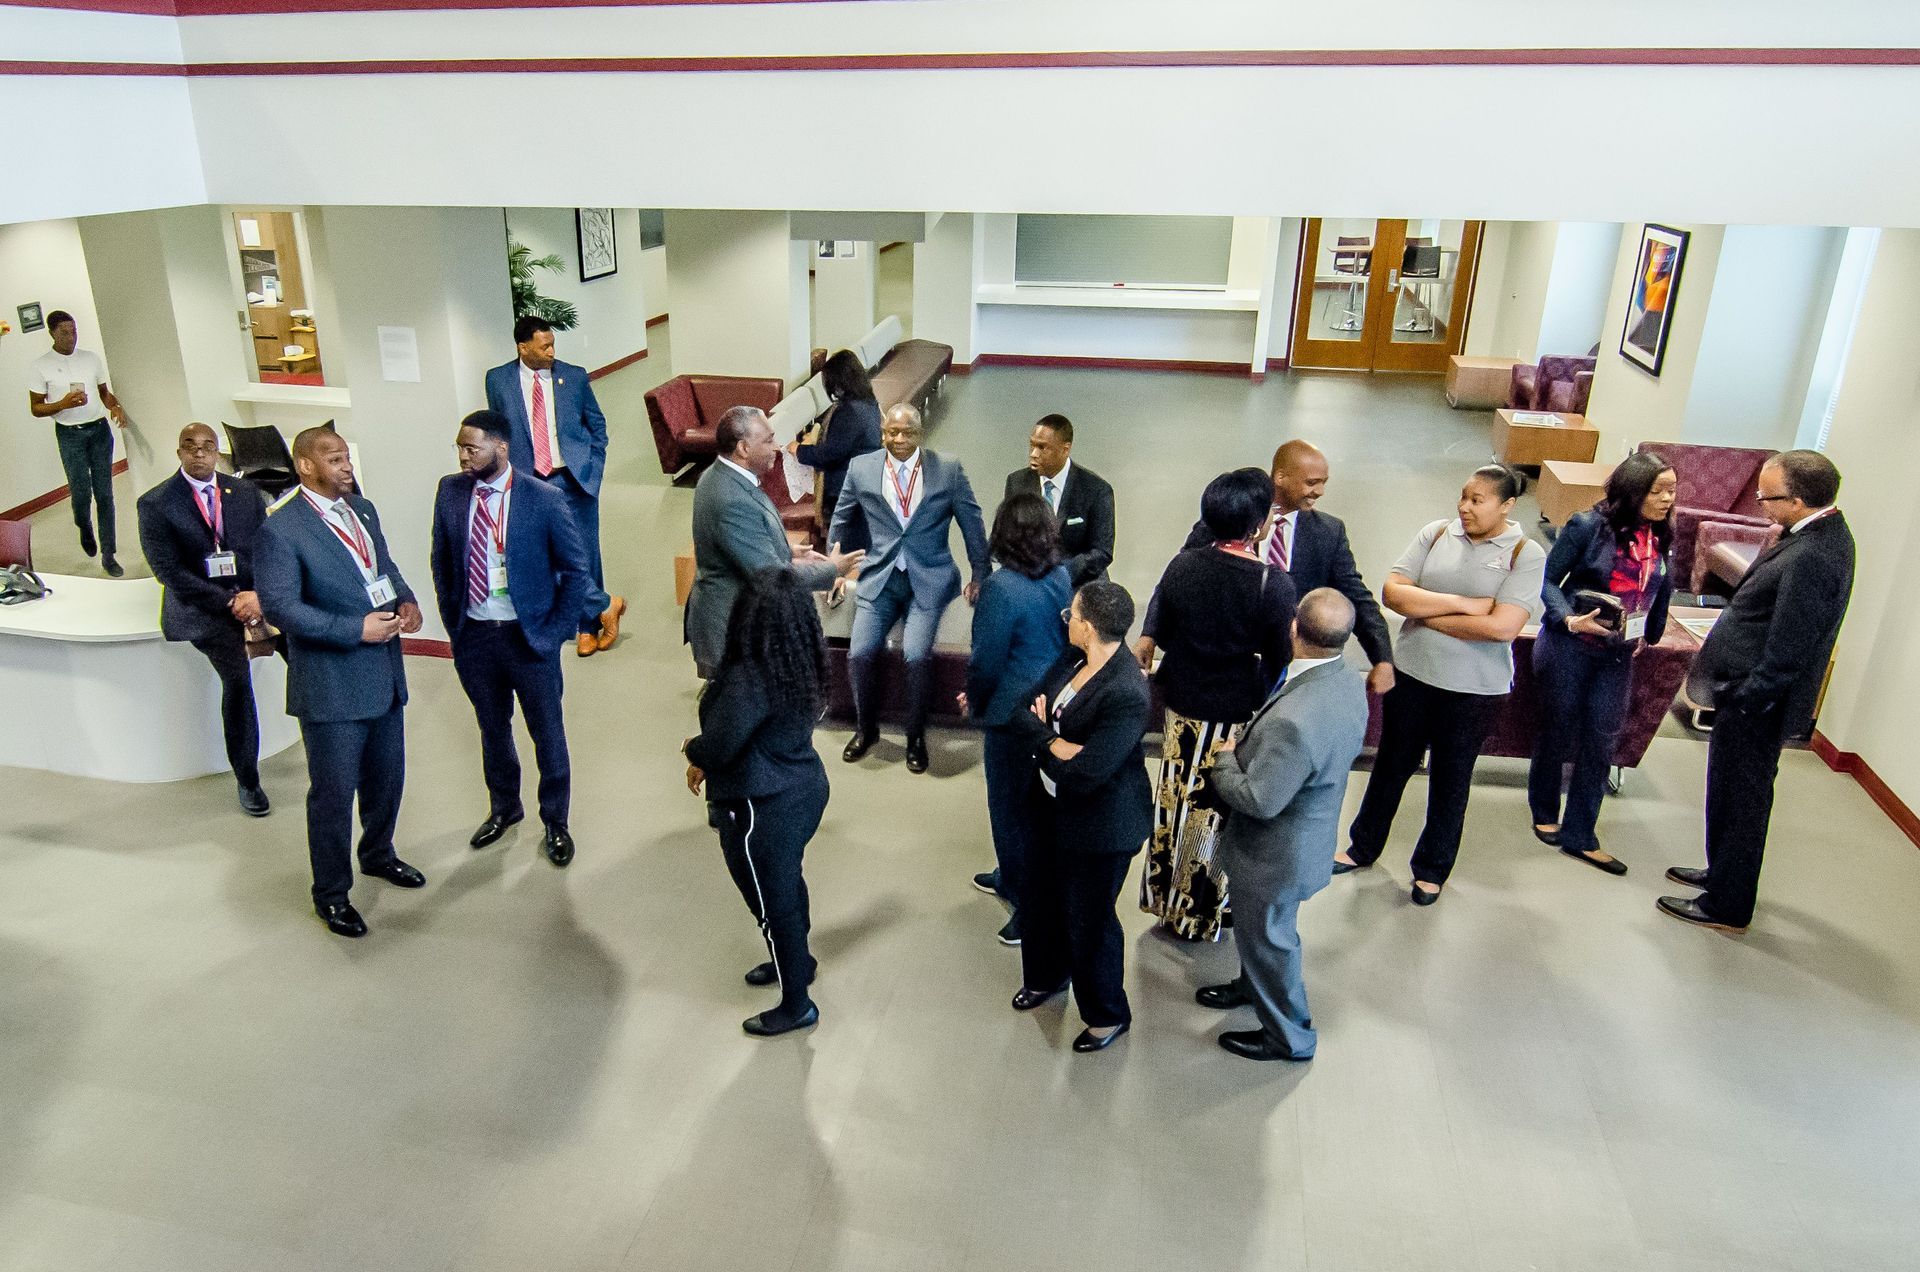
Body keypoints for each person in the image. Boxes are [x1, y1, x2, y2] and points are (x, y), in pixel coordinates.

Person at [1662, 450, 1854, 933]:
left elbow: (1792, 643)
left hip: (1757, 705)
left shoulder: (1814, 554)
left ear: (1799, 500)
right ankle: (1722, 874)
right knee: (1727, 793)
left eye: (1768, 498)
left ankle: (1727, 905)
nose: (1761, 505)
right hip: (1747, 695)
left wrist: (1748, 697)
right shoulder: (1813, 534)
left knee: (1743, 802)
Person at [1338, 464, 1546, 905]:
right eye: (1463, 496)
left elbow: (1502, 628)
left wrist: (1424, 613)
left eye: (1478, 500)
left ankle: (1431, 870)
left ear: (1507, 506)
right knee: (1390, 765)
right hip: (1413, 676)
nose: (1464, 507)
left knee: (1451, 779)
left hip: (1474, 693)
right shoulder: (1435, 533)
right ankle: (1362, 846)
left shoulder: (1524, 554)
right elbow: (1393, 592)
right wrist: (1463, 605)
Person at [256, 427, 426, 938]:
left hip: (384, 675)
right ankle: (331, 894)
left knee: (387, 780)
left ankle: (378, 854)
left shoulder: (362, 509)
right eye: (334, 459)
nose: (346, 466)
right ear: (306, 466)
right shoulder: (281, 529)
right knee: (333, 797)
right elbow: (282, 608)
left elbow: (382, 565)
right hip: (331, 687)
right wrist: (355, 629)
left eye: (347, 457)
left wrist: (406, 597)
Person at [1197, 588, 1369, 1062]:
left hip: (1274, 857)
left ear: (1294, 627)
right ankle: (1251, 986)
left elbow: (1259, 799)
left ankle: (1289, 1037)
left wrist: (1225, 760)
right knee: (1260, 936)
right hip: (1308, 836)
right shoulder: (1346, 680)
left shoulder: (1294, 720)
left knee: (1273, 943)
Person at [1138, 468, 1296, 942]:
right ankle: (1199, 911)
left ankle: (1163, 899)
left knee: (1174, 797)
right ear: (1258, 525)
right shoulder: (1272, 583)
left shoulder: (1182, 566)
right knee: (1212, 809)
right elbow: (1280, 656)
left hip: (1182, 702)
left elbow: (1166, 631)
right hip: (1232, 713)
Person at [430, 409, 591, 867]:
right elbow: (441, 562)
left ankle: (555, 821)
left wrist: (555, 632)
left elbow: (576, 571)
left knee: (548, 733)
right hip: (476, 637)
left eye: (471, 448)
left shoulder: (544, 498)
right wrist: (455, 626)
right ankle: (504, 808)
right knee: (492, 728)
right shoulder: (450, 491)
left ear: (501, 447)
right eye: (459, 448)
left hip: (529, 638)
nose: (463, 456)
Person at [683, 569, 834, 1037]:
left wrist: (693, 750)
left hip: (760, 807)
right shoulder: (800, 660)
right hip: (804, 788)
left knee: (773, 904)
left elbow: (721, 743)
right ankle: (798, 961)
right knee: (788, 882)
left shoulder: (750, 676)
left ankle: (796, 1005)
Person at [1006, 580, 1153, 1054]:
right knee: (1040, 897)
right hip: (1049, 808)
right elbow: (1021, 710)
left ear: (1088, 626)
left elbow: (1088, 775)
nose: (1066, 619)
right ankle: (1047, 976)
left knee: (1090, 921)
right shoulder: (1073, 659)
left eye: (1072, 614)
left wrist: (1044, 739)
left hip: (1101, 826)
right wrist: (1054, 742)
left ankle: (1107, 1014)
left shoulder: (1126, 691)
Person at [1138, 439, 1393, 695]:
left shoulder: (1329, 532)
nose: (1320, 492)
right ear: (1280, 477)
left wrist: (1382, 658)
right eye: (1312, 482)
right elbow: (1175, 580)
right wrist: (1149, 636)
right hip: (1212, 676)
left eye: (1324, 482)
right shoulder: (1227, 516)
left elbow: (1357, 597)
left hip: (1284, 679)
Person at [1528, 452, 1677, 875]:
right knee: (1558, 729)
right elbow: (1546, 580)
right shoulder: (1587, 526)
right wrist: (1569, 619)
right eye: (1658, 491)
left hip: (1617, 655)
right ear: (1633, 491)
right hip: (1569, 646)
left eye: (1672, 490)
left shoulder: (1661, 534)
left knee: (1601, 740)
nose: (1667, 499)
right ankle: (1544, 810)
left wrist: (1649, 631)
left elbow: (1660, 586)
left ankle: (1581, 834)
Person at [830, 404, 990, 774]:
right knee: (860, 653)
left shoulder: (946, 469)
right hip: (881, 580)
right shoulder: (862, 468)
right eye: (892, 432)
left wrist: (981, 573)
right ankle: (866, 729)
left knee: (916, 656)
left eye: (908, 432)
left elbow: (972, 521)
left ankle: (915, 736)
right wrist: (833, 570)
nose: (899, 439)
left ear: (920, 433)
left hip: (929, 581)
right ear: (882, 432)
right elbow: (841, 517)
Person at [135, 423, 276, 815]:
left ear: (218, 452)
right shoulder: (156, 504)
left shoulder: (244, 492)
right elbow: (169, 572)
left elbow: (267, 548)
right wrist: (229, 602)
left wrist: (256, 595)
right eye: (190, 446)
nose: (199, 453)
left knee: (306, 657)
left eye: (207, 447)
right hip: (205, 606)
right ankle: (248, 780)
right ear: (179, 452)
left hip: (254, 598)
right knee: (238, 682)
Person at [960, 493, 1072, 947]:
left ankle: (1028, 904)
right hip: (1050, 704)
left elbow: (986, 661)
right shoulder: (1062, 576)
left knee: (1010, 811)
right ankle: (1010, 876)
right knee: (1035, 809)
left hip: (1010, 714)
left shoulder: (1000, 588)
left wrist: (976, 702)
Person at [685, 406, 863, 677]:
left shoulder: (721, 475)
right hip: (732, 635)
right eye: (768, 441)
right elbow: (770, 577)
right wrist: (832, 569)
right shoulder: (732, 498)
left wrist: (786, 551)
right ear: (744, 448)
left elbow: (739, 543)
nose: (776, 447)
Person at [483, 315, 625, 658]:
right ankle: (606, 605)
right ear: (523, 347)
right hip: (530, 482)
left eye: (553, 345)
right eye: (544, 346)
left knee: (584, 554)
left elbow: (597, 424)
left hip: (573, 479)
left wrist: (593, 466)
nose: (551, 352)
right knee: (543, 554)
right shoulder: (498, 380)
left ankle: (587, 627)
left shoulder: (573, 376)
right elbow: (498, 430)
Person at [26, 311, 129, 576]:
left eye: (73, 331)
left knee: (105, 493)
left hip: (98, 431)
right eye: (64, 332)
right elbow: (36, 408)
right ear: (52, 333)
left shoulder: (90, 358)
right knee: (81, 492)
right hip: (69, 434)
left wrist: (115, 407)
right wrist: (62, 404)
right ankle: (83, 525)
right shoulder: (41, 366)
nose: (71, 336)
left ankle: (109, 554)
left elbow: (104, 393)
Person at [1000, 414, 1115, 586]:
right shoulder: (1016, 483)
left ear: (1065, 449)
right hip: (1029, 582)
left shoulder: (1096, 490)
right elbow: (1006, 538)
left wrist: (1059, 575)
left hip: (1078, 584)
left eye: (1042, 447)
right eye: (1032, 445)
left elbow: (1102, 552)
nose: (1033, 454)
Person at [789, 349, 882, 551]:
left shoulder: (849, 411)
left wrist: (799, 450)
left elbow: (831, 454)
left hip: (846, 490)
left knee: (844, 550)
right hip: (865, 484)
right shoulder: (868, 403)